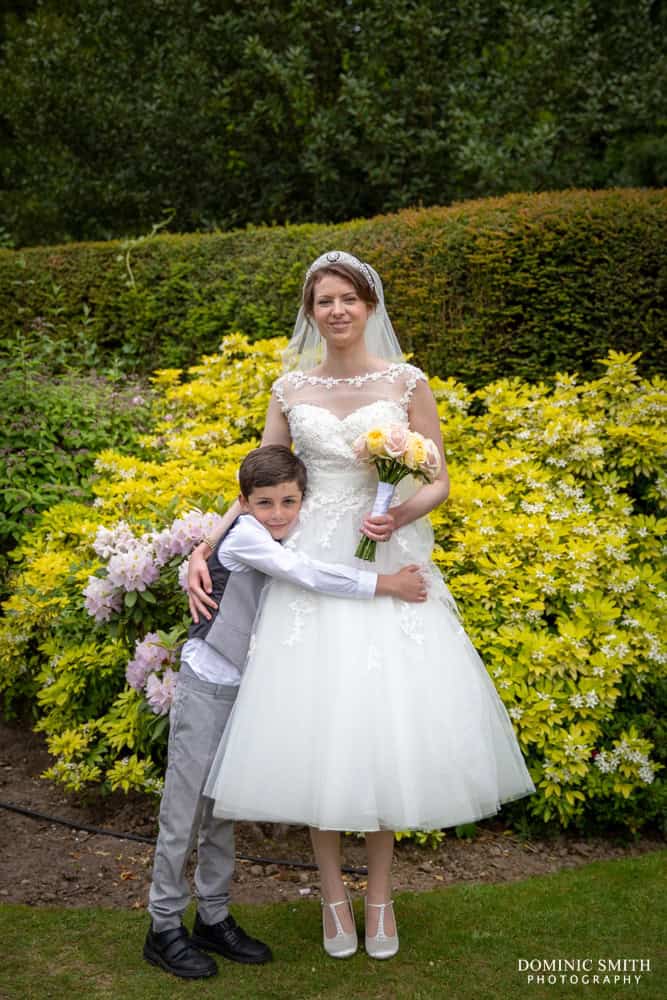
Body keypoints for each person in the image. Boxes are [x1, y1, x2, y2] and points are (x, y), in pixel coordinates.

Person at [189, 251, 536, 961]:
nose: (337, 310)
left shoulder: (405, 381)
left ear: (370, 306)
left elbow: (439, 477)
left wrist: (400, 509)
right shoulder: (290, 387)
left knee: (384, 732)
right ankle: (332, 898)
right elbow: (260, 481)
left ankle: (379, 897)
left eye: (348, 298)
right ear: (311, 312)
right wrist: (205, 545)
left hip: (387, 558)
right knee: (319, 733)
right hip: (311, 567)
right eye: (324, 301)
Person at [144, 443, 427, 979]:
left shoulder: (280, 525)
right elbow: (309, 575)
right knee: (183, 811)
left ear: (302, 500)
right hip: (208, 680)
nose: (278, 513)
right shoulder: (251, 536)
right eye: (264, 502)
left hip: (243, 686)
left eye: (288, 501)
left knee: (220, 810)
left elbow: (307, 546)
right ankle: (162, 927)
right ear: (245, 503)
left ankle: (213, 916)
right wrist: (387, 584)